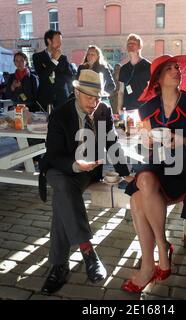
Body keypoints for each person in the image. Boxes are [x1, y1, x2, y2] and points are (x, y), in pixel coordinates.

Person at [121, 54, 186, 293]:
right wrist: (147, 141)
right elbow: (149, 146)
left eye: (177, 68)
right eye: (169, 68)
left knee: (138, 195)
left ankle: (154, 259)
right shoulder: (148, 109)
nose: (175, 71)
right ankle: (158, 252)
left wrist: (184, 140)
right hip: (157, 165)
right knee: (145, 182)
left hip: (184, 169)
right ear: (158, 79)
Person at [38, 69, 131, 295]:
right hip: (60, 168)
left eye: (98, 96)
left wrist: (126, 172)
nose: (94, 101)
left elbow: (111, 143)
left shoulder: (104, 111)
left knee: (63, 195)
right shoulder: (60, 115)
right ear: (76, 92)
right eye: (89, 96)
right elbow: (53, 155)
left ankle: (59, 266)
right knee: (62, 183)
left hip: (87, 171)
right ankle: (88, 252)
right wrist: (75, 164)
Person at [32, 30, 74, 111]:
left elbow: (70, 77)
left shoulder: (63, 58)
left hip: (62, 98)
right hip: (45, 98)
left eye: (61, 41)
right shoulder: (37, 57)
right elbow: (42, 76)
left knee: (61, 122)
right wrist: (54, 61)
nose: (60, 44)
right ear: (49, 41)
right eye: (58, 41)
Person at [117, 34, 151, 113]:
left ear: (140, 47)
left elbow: (151, 90)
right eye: (128, 44)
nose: (130, 45)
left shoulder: (148, 66)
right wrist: (119, 108)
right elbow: (121, 91)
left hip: (144, 109)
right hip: (127, 109)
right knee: (103, 124)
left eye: (133, 43)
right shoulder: (123, 69)